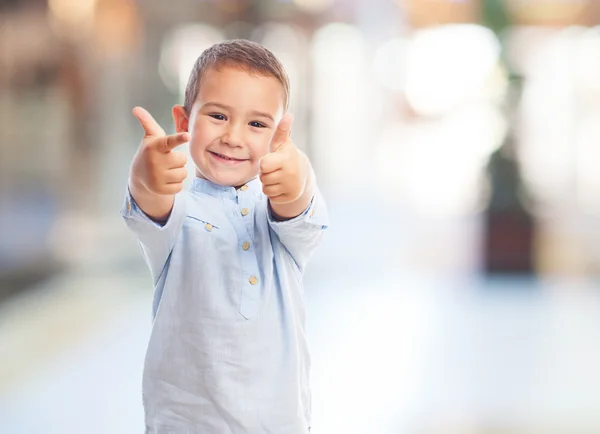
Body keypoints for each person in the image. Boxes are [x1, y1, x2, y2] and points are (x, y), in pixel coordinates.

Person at [121, 39, 328, 433]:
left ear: (279, 135)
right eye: (218, 116)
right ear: (184, 123)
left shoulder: (278, 208)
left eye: (257, 124)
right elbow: (151, 203)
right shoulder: (179, 208)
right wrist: (145, 178)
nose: (234, 136)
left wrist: (297, 181)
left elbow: (298, 209)